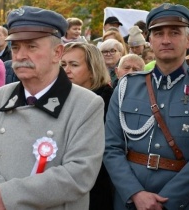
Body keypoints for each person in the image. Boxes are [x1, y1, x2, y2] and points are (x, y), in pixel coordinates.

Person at [0, 6, 105, 210]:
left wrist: (7, 196)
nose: (19, 55)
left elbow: (79, 173)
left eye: (31, 46)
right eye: (16, 47)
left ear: (57, 53)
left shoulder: (86, 104)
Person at [104, 3, 189, 210]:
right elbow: (111, 147)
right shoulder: (127, 86)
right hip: (131, 198)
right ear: (149, 40)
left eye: (175, 32)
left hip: (182, 201)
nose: (166, 40)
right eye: (158, 33)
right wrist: (135, 193)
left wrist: (167, 200)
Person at [61, 42, 113, 210]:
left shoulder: (109, 101)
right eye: (63, 64)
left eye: (74, 65)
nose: (66, 70)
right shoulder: (58, 98)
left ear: (92, 69)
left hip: (96, 186)